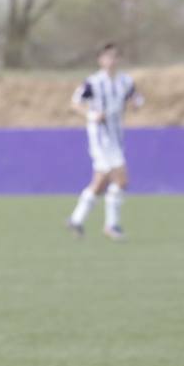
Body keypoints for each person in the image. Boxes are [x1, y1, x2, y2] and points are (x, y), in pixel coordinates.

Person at [67, 42, 143, 241]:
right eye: (107, 57)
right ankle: (111, 225)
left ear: (118, 60)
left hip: (116, 137)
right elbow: (75, 103)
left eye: (114, 57)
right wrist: (91, 114)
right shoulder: (93, 82)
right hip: (100, 138)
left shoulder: (125, 81)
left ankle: (76, 219)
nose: (111, 61)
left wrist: (136, 104)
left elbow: (137, 98)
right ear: (100, 60)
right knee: (121, 179)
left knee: (100, 182)